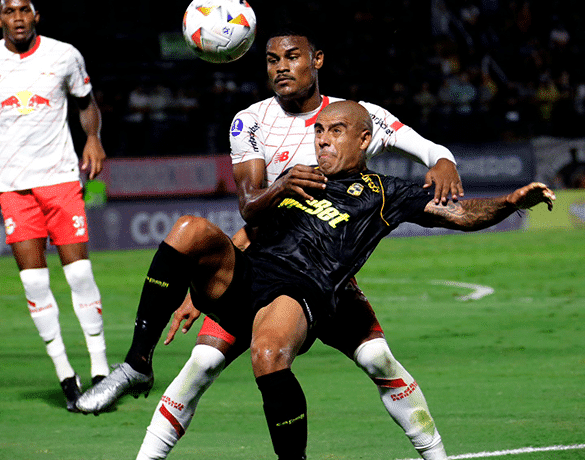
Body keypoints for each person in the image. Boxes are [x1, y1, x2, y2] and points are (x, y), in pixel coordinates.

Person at [79, 27, 464, 460]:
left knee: (378, 359)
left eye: (292, 57)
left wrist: (445, 160)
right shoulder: (251, 121)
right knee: (201, 365)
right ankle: (140, 413)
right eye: (271, 60)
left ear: (317, 60)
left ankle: (438, 457)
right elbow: (252, 208)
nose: (281, 67)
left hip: (325, 278)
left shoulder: (356, 115)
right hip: (258, 268)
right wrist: (202, 282)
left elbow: (428, 150)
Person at [135, 101, 554, 459]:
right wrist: (199, 277)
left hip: (303, 291)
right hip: (251, 276)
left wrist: (510, 202)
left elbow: (459, 214)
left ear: (364, 140)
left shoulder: (383, 191)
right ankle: (136, 364)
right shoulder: (298, 176)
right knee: (189, 233)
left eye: (336, 131)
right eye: (319, 131)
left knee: (285, 355)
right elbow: (251, 228)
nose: (322, 139)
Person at [0, 0, 109, 411]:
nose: (18, 17)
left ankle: (100, 371)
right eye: (10, 11)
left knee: (79, 274)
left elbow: (86, 103)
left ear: (36, 15)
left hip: (59, 178)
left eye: (24, 9)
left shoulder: (64, 54)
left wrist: (93, 138)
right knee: (34, 283)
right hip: (11, 184)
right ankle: (66, 375)